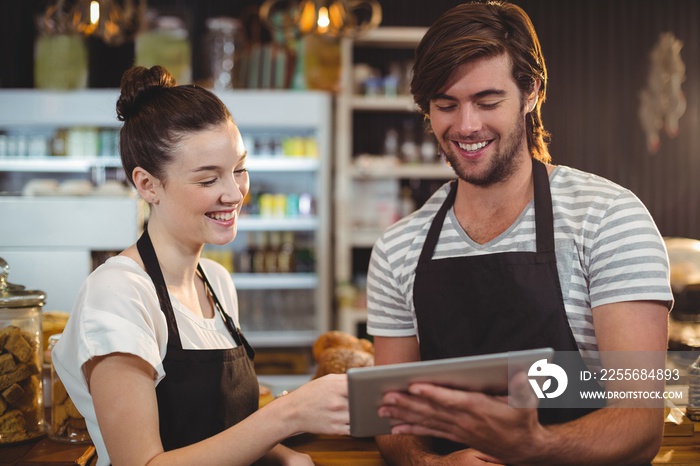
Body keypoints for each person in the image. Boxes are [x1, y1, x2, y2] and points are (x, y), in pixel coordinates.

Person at [365, 1, 672, 465]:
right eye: (446, 105)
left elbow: (640, 421)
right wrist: (429, 464)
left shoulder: (608, 218)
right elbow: (387, 414)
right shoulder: (397, 248)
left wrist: (536, 448)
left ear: (530, 93)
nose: (466, 125)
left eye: (488, 102)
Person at [52, 65, 349, 466]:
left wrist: (283, 457)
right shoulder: (118, 294)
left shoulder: (217, 283)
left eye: (239, 170)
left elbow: (221, 431)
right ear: (147, 184)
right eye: (208, 180)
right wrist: (287, 414)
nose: (234, 193)